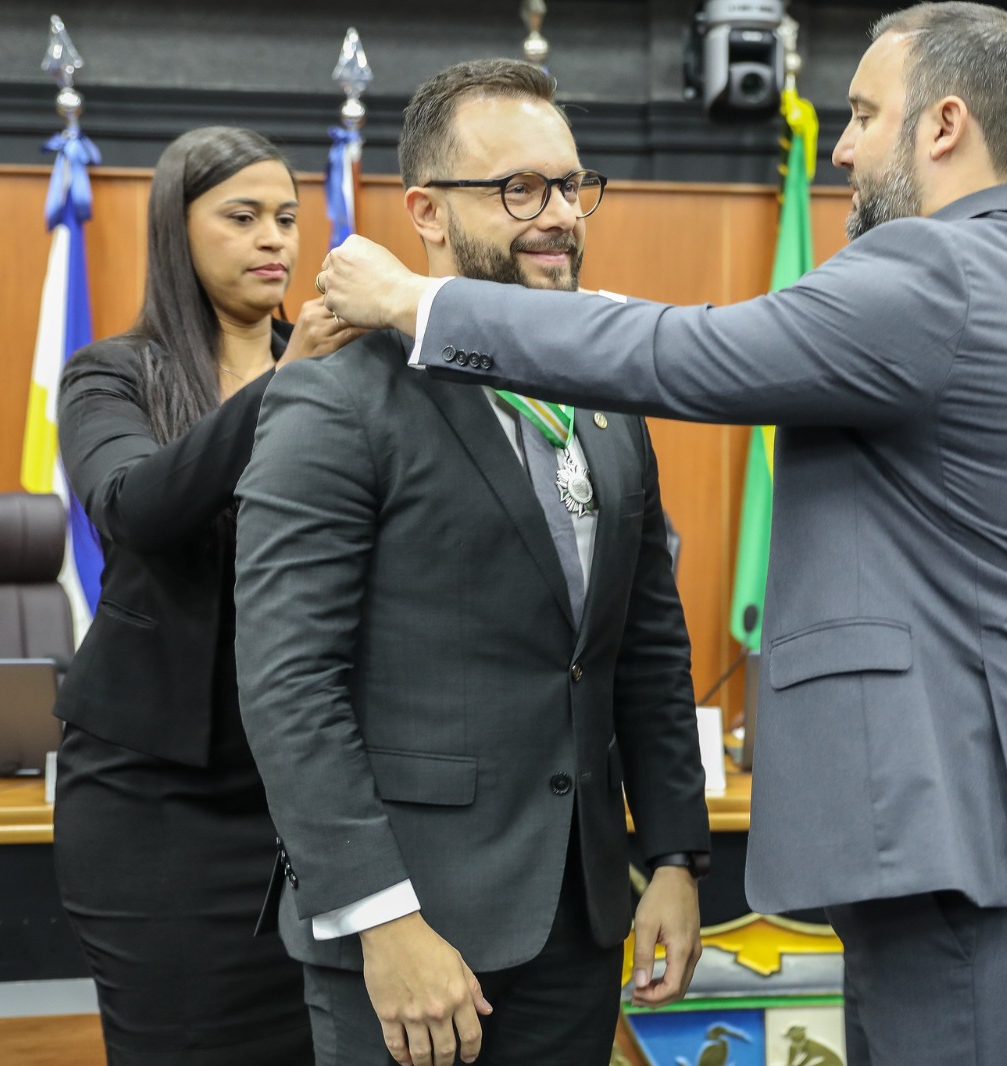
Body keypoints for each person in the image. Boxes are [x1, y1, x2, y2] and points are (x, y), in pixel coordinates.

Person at [315, 5, 1007, 1064]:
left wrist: (417, 301)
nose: (840, 146)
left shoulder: (932, 272)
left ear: (942, 126)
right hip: (993, 826)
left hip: (967, 838)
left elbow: (689, 354)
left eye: (860, 114)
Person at [233, 59, 709, 1066]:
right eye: (518, 189)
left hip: (578, 920)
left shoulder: (603, 381)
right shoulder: (337, 395)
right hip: (411, 932)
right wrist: (382, 918)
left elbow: (646, 645)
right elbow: (287, 683)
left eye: (571, 185)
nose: (558, 216)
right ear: (426, 213)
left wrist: (671, 854)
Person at [53, 125, 361, 1064]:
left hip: (309, 792)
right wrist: (286, 382)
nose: (275, 239)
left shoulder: (348, 377)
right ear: (176, 232)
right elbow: (139, 508)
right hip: (156, 803)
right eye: (242, 217)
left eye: (286, 218)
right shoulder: (113, 374)